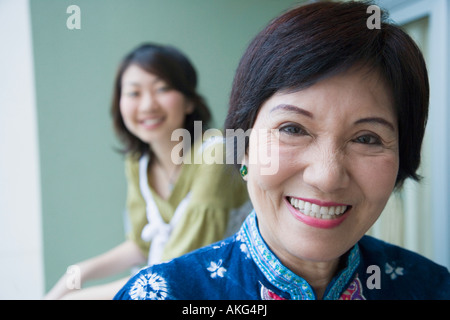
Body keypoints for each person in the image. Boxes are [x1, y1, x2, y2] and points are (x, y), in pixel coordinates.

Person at [114, 2, 450, 300]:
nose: (327, 176)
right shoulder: (162, 294)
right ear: (242, 146)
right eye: (293, 129)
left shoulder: (433, 289)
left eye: (367, 138)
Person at [44, 43, 250, 299]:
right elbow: (142, 245)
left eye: (162, 88)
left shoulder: (215, 154)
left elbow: (178, 268)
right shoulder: (138, 163)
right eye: (133, 93)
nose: (147, 105)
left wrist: (78, 297)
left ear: (189, 102)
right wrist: (79, 273)